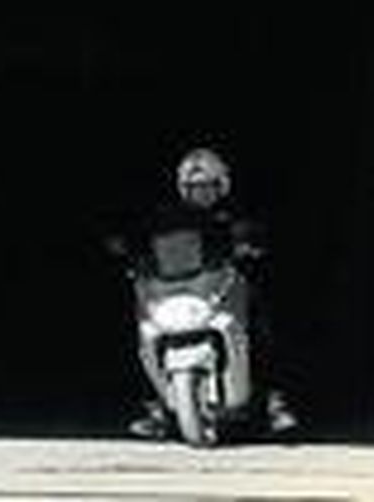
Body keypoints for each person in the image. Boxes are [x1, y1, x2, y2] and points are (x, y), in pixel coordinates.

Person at [122, 146, 298, 439]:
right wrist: (133, 253)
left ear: (222, 186)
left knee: (261, 328)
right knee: (146, 334)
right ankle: (157, 409)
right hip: (177, 291)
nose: (202, 193)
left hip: (224, 290)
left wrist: (253, 244)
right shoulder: (169, 218)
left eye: (208, 186)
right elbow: (146, 241)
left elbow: (258, 236)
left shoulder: (235, 214)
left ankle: (273, 404)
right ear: (183, 188)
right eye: (194, 188)